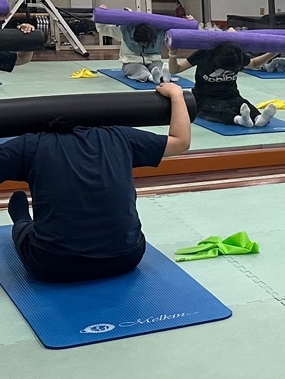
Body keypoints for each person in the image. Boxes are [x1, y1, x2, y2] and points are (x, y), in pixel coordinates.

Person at [0, 83, 190, 282]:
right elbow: (181, 141)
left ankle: (21, 217)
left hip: (53, 264)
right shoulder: (120, 136)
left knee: (23, 231)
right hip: (126, 258)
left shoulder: (30, 143)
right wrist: (177, 95)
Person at [171, 40, 278, 128]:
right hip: (204, 97)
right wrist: (172, 54)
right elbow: (176, 69)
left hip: (231, 95)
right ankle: (239, 120)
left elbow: (253, 64)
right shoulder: (204, 54)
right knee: (217, 109)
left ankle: (259, 118)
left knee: (243, 104)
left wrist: (274, 52)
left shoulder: (237, 54)